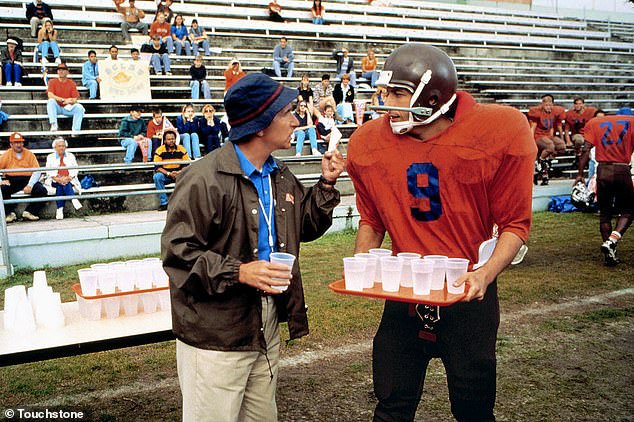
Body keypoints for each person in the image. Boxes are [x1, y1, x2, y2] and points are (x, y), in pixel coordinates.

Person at [346, 43, 536, 422]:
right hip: (406, 290)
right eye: (385, 91)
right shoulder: (369, 142)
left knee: (473, 409)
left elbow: (515, 225)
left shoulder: (496, 130)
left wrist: (485, 274)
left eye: (397, 93)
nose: (386, 102)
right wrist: (364, 264)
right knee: (391, 406)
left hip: (467, 293)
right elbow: (372, 220)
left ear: (432, 98)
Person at [161, 72, 344, 421]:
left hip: (265, 323)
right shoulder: (202, 179)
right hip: (216, 333)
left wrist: (325, 184)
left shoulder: (280, 175)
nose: (296, 120)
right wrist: (240, 271)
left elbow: (303, 226)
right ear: (260, 125)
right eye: (286, 112)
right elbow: (178, 254)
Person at [576, 111, 634, 266]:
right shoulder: (631, 122)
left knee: (605, 214)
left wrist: (579, 174)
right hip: (622, 169)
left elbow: (585, 149)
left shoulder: (595, 123)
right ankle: (611, 241)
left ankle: (610, 252)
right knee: (629, 210)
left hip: (602, 170)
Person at [0, 132, 48, 222]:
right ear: (11, 144)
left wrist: (30, 184)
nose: (19, 145)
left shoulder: (29, 154)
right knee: (3, 189)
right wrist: (1, 181)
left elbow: (37, 171)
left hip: (27, 179)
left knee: (42, 190)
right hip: (12, 179)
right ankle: (9, 213)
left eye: (20, 142)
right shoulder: (6, 155)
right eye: (16, 143)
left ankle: (30, 212)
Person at [527, 94, 565, 186]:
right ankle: (540, 161)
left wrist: (561, 138)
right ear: (542, 104)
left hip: (548, 136)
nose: (548, 107)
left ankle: (543, 164)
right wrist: (530, 141)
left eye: (550, 104)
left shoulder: (556, 112)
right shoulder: (537, 113)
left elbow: (553, 127)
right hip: (538, 136)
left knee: (561, 146)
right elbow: (533, 127)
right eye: (546, 105)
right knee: (550, 146)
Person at [44, 137, 83, 220]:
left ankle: (59, 209)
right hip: (55, 180)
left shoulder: (70, 156)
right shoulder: (50, 157)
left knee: (61, 186)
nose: (61, 148)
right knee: (60, 184)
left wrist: (68, 177)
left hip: (69, 179)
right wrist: (58, 179)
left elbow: (75, 169)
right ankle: (73, 198)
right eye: (59, 146)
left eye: (63, 146)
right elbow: (48, 171)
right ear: (55, 147)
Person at [153, 128, 189, 211]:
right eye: (169, 139)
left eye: (173, 139)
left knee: (190, 175)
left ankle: (184, 203)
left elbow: (186, 164)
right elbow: (157, 167)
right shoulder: (160, 150)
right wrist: (169, 174)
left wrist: (179, 172)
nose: (171, 141)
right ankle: (164, 203)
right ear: (165, 141)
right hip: (166, 175)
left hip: (179, 174)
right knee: (157, 177)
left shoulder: (181, 149)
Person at [46, 63, 85, 132]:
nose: (61, 71)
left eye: (63, 70)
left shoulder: (71, 83)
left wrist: (69, 101)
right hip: (57, 107)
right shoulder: (52, 81)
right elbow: (50, 95)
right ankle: (54, 124)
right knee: (51, 101)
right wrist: (63, 99)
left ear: (67, 72)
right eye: (59, 70)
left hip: (67, 107)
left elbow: (75, 99)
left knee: (79, 108)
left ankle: (76, 130)